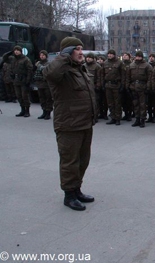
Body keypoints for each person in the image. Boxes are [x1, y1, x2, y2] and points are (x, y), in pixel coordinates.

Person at [43, 37, 97, 211]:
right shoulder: (59, 71)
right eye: (77, 49)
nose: (82, 53)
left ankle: (77, 189)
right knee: (69, 162)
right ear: (67, 51)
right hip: (68, 125)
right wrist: (64, 56)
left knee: (83, 160)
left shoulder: (80, 69)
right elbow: (50, 73)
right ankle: (69, 195)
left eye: (82, 49)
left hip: (84, 123)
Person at [126, 51, 153, 128]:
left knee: (142, 104)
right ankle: (137, 119)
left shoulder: (147, 66)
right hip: (133, 87)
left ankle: (142, 120)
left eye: (139, 56)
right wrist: (127, 86)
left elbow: (150, 78)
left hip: (143, 87)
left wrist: (148, 87)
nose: (138, 58)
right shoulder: (131, 65)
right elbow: (128, 77)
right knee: (135, 104)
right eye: (137, 56)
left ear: (142, 57)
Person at [102, 49, 124, 125]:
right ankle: (113, 117)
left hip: (116, 85)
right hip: (108, 85)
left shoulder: (119, 63)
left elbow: (123, 75)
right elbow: (102, 75)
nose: (109, 55)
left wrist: (122, 85)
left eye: (111, 54)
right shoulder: (105, 63)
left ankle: (118, 118)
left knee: (117, 103)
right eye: (108, 54)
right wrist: (103, 84)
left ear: (114, 55)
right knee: (110, 103)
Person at [11, 45, 33, 117]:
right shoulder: (14, 59)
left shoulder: (26, 59)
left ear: (21, 51)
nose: (16, 51)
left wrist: (28, 80)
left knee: (25, 96)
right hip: (16, 80)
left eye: (18, 50)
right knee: (19, 96)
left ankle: (27, 111)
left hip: (24, 79)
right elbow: (12, 68)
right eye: (15, 50)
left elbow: (30, 70)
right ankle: (22, 110)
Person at [34, 50, 53, 120]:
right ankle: (44, 111)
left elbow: (44, 69)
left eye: (43, 55)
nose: (42, 56)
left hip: (46, 84)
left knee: (48, 98)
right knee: (42, 98)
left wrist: (39, 65)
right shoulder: (38, 63)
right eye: (41, 55)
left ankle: (48, 113)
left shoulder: (48, 63)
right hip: (39, 84)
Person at [84, 52, 101, 122]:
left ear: (93, 59)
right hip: (85, 86)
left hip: (94, 86)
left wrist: (98, 86)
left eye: (90, 58)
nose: (88, 59)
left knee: (95, 102)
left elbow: (99, 77)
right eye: (87, 57)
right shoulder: (83, 66)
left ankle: (95, 116)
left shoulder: (97, 66)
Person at [121, 52, 133, 121]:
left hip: (129, 85)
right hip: (122, 84)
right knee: (123, 101)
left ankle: (129, 114)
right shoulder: (121, 65)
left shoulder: (131, 64)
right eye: (123, 55)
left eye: (126, 55)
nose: (124, 56)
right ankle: (125, 114)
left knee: (129, 101)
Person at [146, 53, 155, 123]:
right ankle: (149, 116)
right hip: (148, 87)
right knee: (148, 103)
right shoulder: (147, 65)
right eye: (150, 57)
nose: (151, 58)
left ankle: (154, 116)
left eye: (153, 57)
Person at [96, 56, 109, 120]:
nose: (100, 60)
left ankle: (105, 114)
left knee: (105, 101)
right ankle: (100, 113)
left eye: (101, 59)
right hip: (99, 86)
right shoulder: (97, 66)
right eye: (99, 59)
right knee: (99, 101)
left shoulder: (104, 66)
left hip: (105, 85)